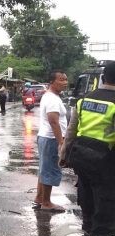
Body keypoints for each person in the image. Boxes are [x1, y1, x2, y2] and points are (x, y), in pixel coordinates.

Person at [60, 62, 115, 236]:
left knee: (88, 203)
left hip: (81, 159)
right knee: (105, 208)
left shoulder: (85, 99)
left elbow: (72, 130)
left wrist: (63, 156)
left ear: (103, 78)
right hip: (105, 162)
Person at [33, 70, 68, 212]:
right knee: (50, 170)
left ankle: (40, 197)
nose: (65, 82)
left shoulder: (51, 96)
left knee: (44, 169)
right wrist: (61, 142)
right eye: (61, 80)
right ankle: (46, 203)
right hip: (51, 138)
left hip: (47, 138)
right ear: (52, 82)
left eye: (66, 80)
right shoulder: (52, 99)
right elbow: (53, 121)